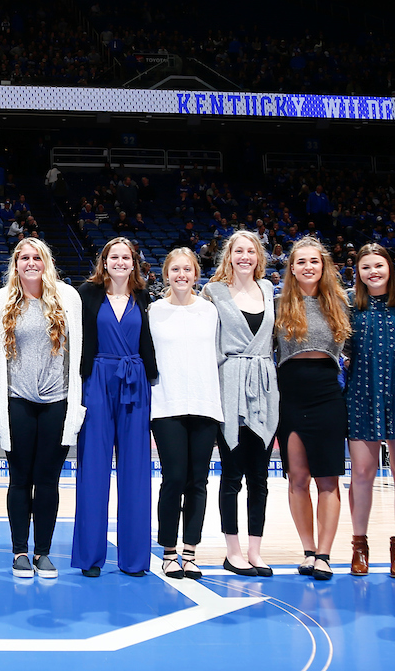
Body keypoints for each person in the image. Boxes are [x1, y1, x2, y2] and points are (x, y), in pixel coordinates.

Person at [0, 238, 83, 580]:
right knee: (20, 479)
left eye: (36, 257)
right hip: (17, 402)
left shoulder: (67, 298)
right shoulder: (0, 301)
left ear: (46, 262)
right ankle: (19, 551)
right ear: (15, 265)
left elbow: (77, 354)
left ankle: (43, 551)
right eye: (23, 258)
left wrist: (75, 401)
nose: (30, 263)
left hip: (56, 402)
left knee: (48, 481)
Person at [72, 237, 155, 577]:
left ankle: (134, 559)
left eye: (126, 257)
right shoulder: (86, 295)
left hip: (134, 381)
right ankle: (91, 556)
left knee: (136, 471)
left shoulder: (145, 298)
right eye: (113, 257)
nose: (120, 262)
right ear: (103, 262)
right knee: (92, 468)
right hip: (98, 381)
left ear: (134, 263)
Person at [202, 230, 279, 577]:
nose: (245, 256)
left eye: (251, 251)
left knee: (260, 478)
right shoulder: (213, 292)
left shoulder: (268, 290)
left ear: (258, 256)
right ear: (228, 256)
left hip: (264, 388)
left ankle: (255, 550)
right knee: (232, 474)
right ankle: (232, 550)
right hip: (229, 386)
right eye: (238, 251)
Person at [274, 237, 351, 582]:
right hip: (289, 392)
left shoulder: (340, 303)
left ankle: (324, 554)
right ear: (292, 268)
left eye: (314, 261)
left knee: (328, 479)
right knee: (298, 478)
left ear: (323, 266)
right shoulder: (278, 303)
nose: (308, 266)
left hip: (326, 392)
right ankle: (307, 550)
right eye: (300, 261)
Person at [345, 244, 395, 578]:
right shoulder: (349, 304)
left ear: (389, 267)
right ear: (358, 272)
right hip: (362, 392)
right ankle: (359, 547)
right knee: (362, 474)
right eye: (366, 267)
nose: (373, 272)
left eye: (378, 265)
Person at [149, 248, 222, 580]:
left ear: (196, 274)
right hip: (167, 406)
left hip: (205, 404)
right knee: (174, 478)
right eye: (175, 269)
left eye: (187, 269)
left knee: (198, 481)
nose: (181, 275)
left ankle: (190, 551)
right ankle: (168, 551)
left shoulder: (210, 311)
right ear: (166, 274)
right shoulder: (153, 311)